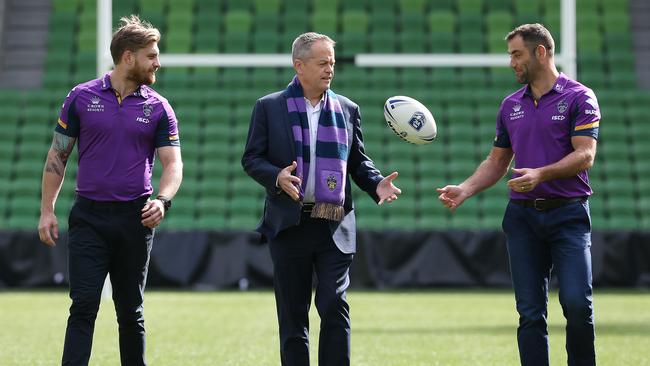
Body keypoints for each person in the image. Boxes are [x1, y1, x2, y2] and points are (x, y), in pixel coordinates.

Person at [437, 24, 599, 366]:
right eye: (510, 54)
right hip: (522, 218)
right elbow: (497, 162)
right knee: (529, 312)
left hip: (568, 215)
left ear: (541, 52)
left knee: (577, 304)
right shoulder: (510, 104)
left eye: (517, 54)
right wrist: (465, 189)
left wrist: (541, 173)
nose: (512, 62)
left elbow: (585, 155)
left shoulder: (579, 97)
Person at [242, 32, 401, 366]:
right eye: (322, 62)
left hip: (334, 225)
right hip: (290, 224)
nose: (330, 69)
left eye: (332, 62)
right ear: (299, 66)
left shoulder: (347, 108)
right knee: (292, 315)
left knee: (333, 304)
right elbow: (252, 159)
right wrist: (276, 177)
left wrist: (376, 184)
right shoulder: (269, 107)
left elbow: (357, 161)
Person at [38, 15, 182, 366]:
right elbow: (58, 155)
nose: (158, 62)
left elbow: (173, 165)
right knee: (84, 306)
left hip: (136, 220)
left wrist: (162, 201)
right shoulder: (81, 97)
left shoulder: (159, 107)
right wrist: (47, 210)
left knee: (131, 312)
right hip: (89, 218)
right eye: (151, 55)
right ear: (128, 57)